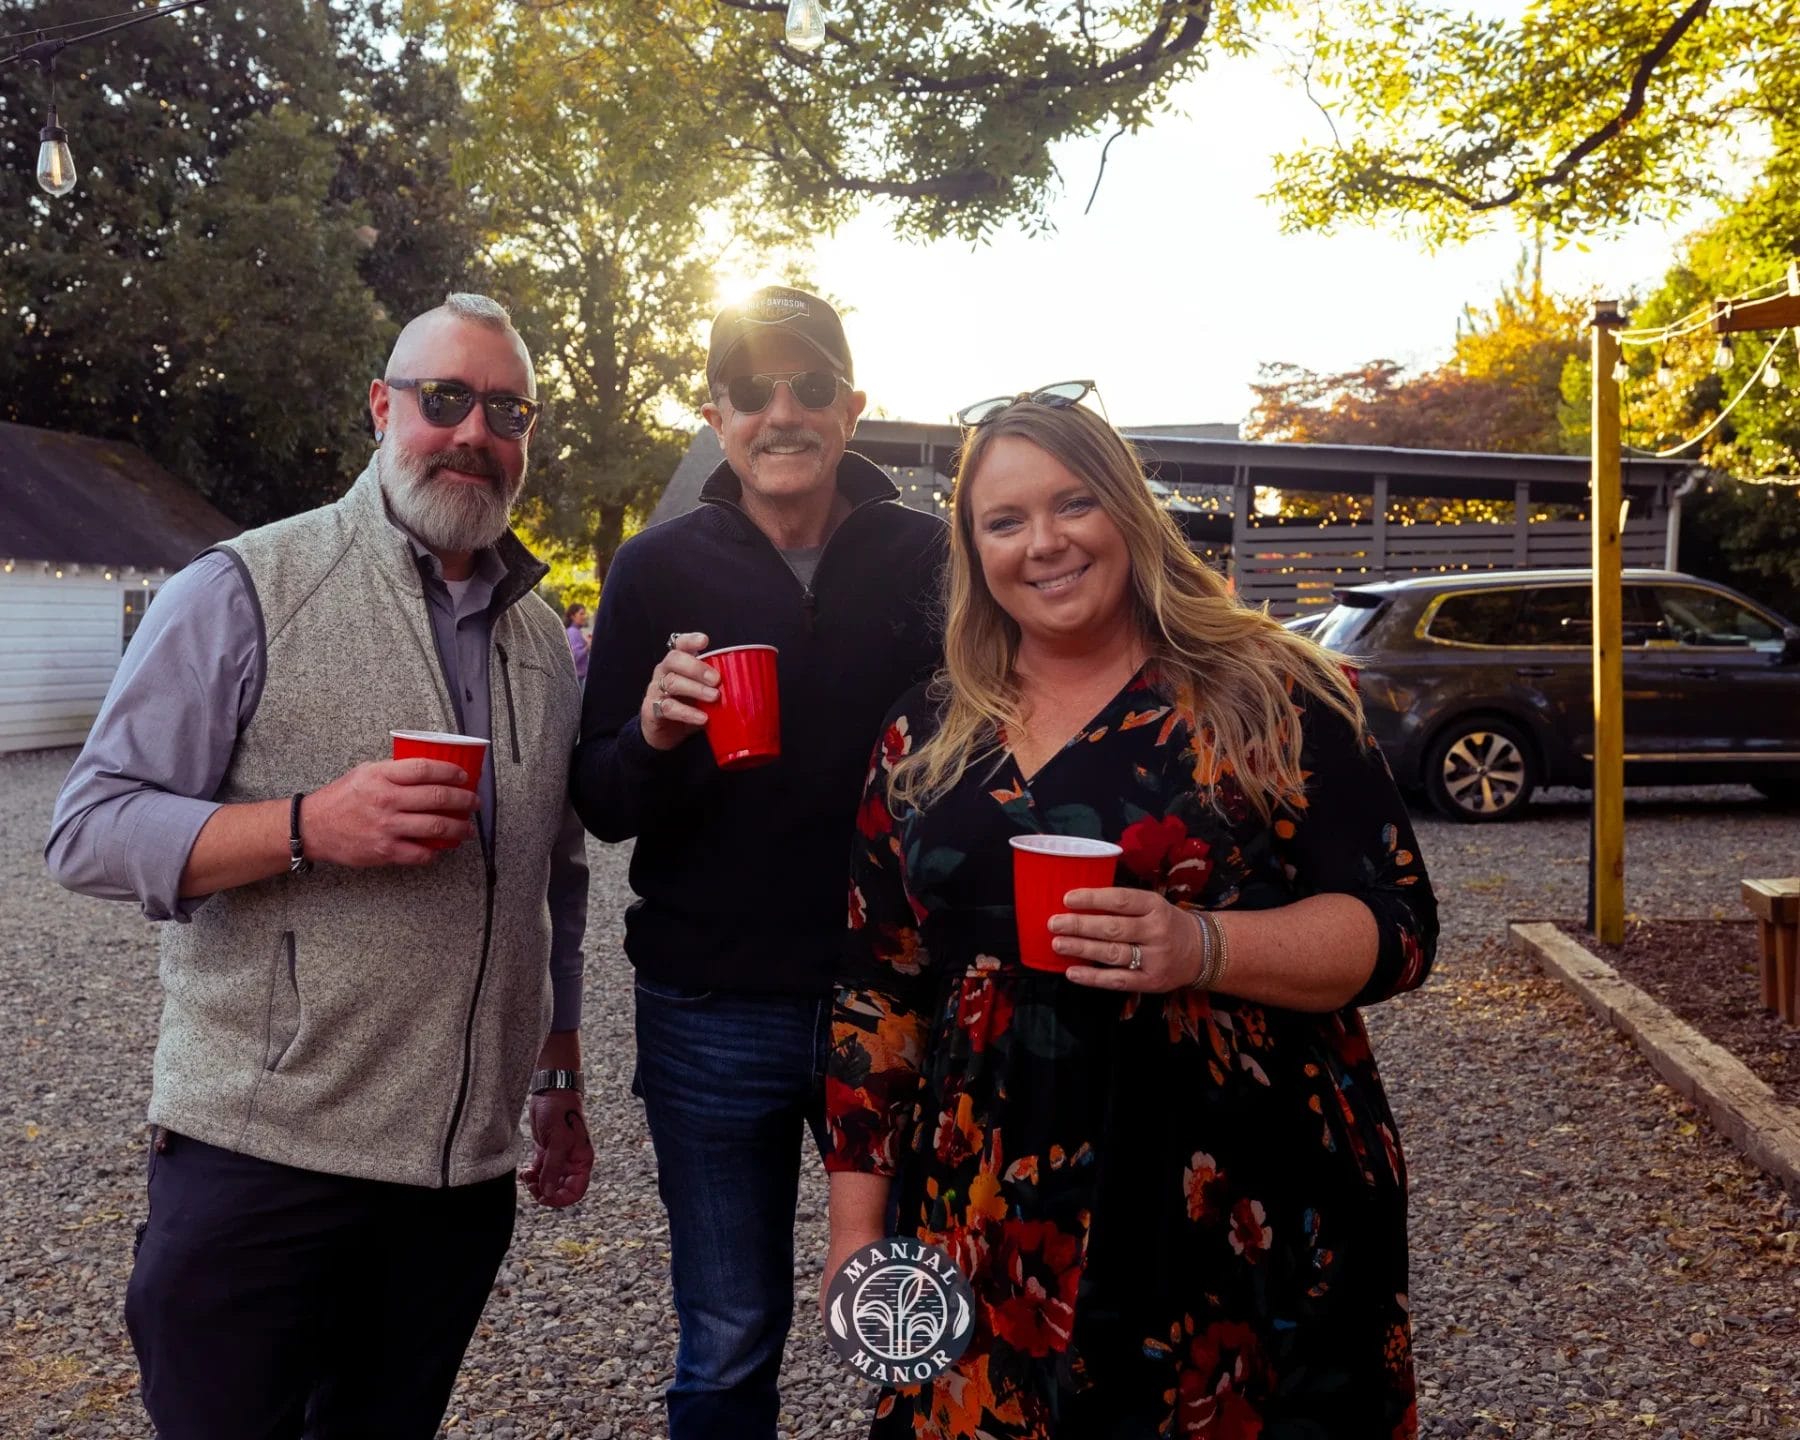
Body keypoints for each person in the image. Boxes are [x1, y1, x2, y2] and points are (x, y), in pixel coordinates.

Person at [824, 389, 1437, 1438]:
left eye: (1073, 505)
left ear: (1128, 510)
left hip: (1239, 1203)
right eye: (1004, 521)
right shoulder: (927, 732)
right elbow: (878, 986)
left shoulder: (1271, 691)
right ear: (972, 549)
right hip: (986, 1214)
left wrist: (1203, 944)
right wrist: (856, 1233)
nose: (1044, 543)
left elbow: (1399, 928)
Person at [45, 293, 596, 1440]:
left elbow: (559, 875)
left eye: (508, 409)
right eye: (444, 398)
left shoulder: (542, 636)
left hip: (456, 1187)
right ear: (380, 407)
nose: (473, 431)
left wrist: (555, 1080)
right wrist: (306, 823)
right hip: (265, 1163)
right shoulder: (247, 586)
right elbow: (89, 828)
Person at [570, 284, 946, 1436]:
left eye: (811, 385)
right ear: (714, 413)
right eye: (751, 390)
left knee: (922, 1317)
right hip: (710, 1002)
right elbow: (599, 800)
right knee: (729, 1336)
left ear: (853, 406)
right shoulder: (653, 568)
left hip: (899, 996)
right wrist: (655, 734)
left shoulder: (932, 558)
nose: (783, 412)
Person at [566, 602, 592, 682]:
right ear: (573, 616)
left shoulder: (576, 631)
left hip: (580, 678)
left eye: (585, 614)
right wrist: (587, 647)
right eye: (581, 614)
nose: (584, 617)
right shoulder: (572, 632)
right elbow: (573, 657)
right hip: (578, 679)